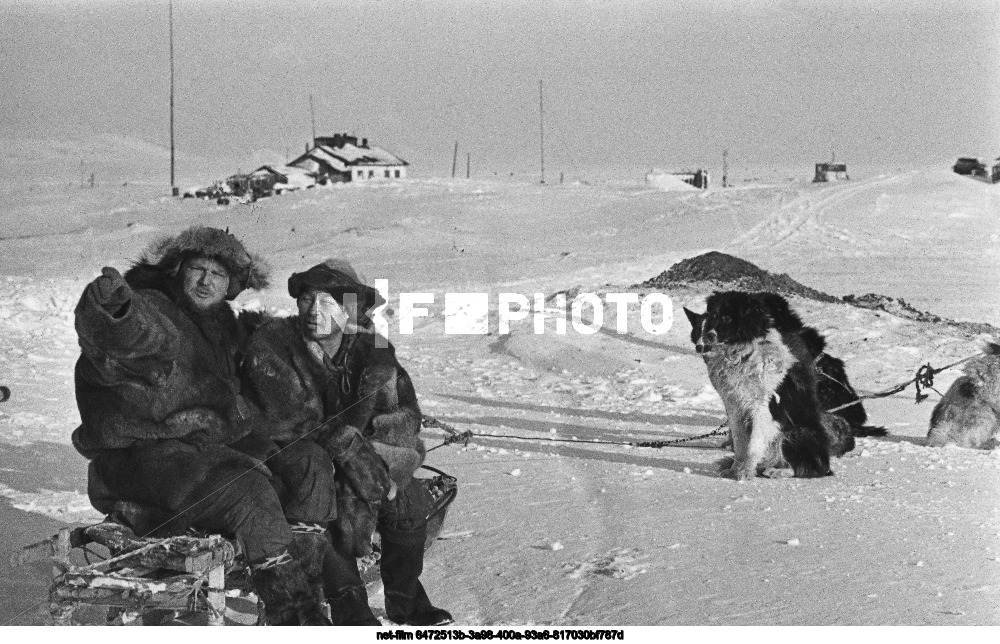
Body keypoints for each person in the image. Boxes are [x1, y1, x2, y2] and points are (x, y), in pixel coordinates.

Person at [72, 226, 334, 626]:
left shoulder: (219, 325)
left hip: (202, 451)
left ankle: (305, 575)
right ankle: (294, 616)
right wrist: (115, 311)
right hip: (148, 461)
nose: (206, 280)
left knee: (307, 462)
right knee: (249, 491)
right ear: (178, 270)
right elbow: (132, 335)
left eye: (219, 274)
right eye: (198, 268)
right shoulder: (156, 309)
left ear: (230, 286)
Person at [243, 259, 453, 626]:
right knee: (331, 500)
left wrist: (376, 462)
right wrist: (354, 461)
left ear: (350, 310)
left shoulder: (374, 352)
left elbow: (402, 417)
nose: (314, 311)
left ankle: (407, 600)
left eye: (328, 303)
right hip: (297, 462)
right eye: (307, 300)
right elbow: (285, 421)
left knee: (408, 499)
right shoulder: (274, 346)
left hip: (364, 458)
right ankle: (349, 605)